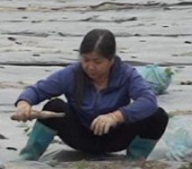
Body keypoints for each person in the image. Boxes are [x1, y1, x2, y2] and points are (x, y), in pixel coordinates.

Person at [13, 28, 168, 160]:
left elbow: (148, 101)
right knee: (55, 106)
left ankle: (135, 159)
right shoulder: (72, 74)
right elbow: (37, 90)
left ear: (111, 60)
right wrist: (24, 104)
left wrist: (115, 117)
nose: (90, 67)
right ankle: (28, 157)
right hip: (79, 134)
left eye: (97, 62)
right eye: (86, 60)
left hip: (114, 137)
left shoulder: (127, 75)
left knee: (157, 116)